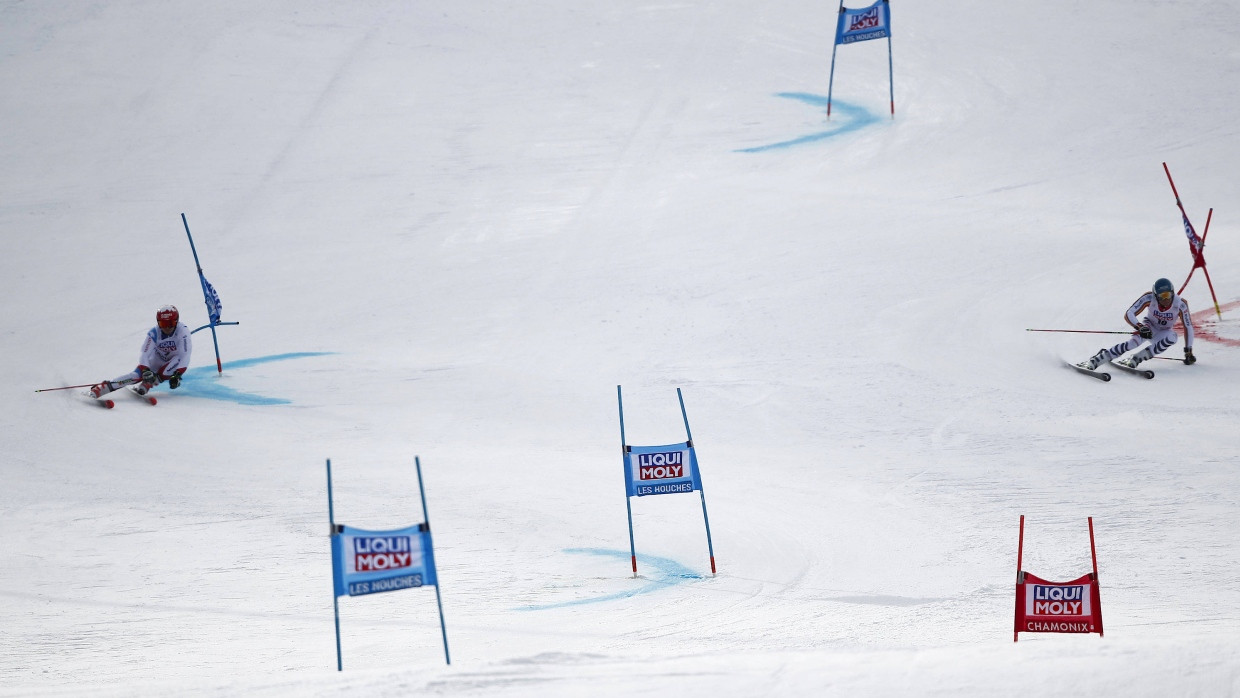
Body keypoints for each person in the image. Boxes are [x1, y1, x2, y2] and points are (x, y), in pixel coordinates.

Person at [1080, 278, 1196, 370]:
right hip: (1149, 326)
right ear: (1156, 295)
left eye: (1168, 295)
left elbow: (1188, 326)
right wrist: (1139, 327)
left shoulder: (1180, 304)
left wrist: (1188, 350)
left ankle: (1137, 358)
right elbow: (1129, 313)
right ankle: (1097, 359)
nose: (1166, 299)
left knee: (1173, 337)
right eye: (1162, 296)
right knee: (1132, 344)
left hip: (1163, 332)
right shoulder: (1149, 298)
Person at [90, 305, 193, 397]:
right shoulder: (154, 333)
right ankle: (103, 388)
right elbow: (145, 353)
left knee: (167, 370)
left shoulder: (183, 332)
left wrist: (177, 374)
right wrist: (145, 370)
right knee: (136, 376)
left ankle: (148, 383)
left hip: (173, 362)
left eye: (170, 323)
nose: (166, 328)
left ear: (176, 321)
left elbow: (185, 355)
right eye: (163, 324)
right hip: (156, 359)